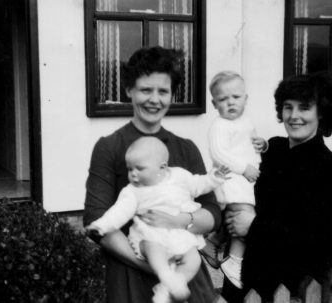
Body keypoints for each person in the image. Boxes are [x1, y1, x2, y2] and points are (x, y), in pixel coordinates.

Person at [84, 46, 225, 303]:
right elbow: (97, 219)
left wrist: (179, 221)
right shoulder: (110, 147)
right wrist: (152, 266)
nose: (154, 99)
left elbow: (213, 213)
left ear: (172, 95)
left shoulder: (185, 148)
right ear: (129, 90)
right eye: (145, 90)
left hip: (185, 271)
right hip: (131, 273)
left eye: (163, 91)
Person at [221, 72, 332, 302]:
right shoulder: (273, 150)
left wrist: (254, 225)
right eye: (288, 107)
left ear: (321, 112)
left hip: (290, 284)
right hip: (244, 274)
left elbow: (318, 240)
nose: (294, 116)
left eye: (304, 108)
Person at [86, 137, 229, 303]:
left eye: (139, 169)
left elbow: (198, 184)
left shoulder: (179, 176)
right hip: (149, 235)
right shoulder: (133, 191)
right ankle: (165, 276)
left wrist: (214, 178)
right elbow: (118, 212)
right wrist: (101, 225)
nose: (133, 174)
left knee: (194, 260)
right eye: (130, 169)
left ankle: (168, 288)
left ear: (162, 167)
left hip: (177, 234)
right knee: (156, 253)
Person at [199, 71, 266, 289]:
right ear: (214, 104)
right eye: (223, 99)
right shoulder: (220, 125)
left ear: (246, 99)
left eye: (236, 97)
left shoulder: (246, 121)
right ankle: (234, 261)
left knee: (236, 219)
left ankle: (212, 242)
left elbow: (252, 144)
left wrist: (262, 145)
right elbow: (219, 153)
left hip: (246, 181)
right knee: (245, 218)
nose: (230, 103)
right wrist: (244, 168)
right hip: (232, 180)